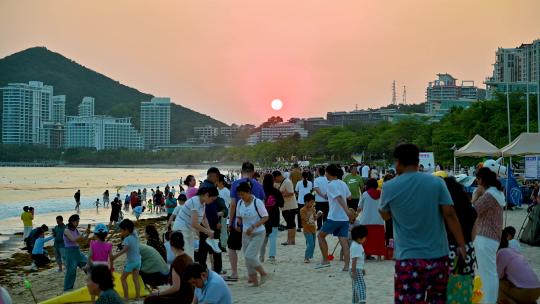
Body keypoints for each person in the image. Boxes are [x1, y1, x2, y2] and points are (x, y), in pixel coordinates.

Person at [378, 144, 466, 303]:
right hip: (438, 257)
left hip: (408, 259)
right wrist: (461, 244)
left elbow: (385, 216)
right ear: (417, 160)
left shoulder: (389, 187)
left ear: (398, 162)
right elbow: (450, 215)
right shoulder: (437, 183)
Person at [226, 161, 265, 282]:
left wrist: (230, 222)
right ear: (253, 173)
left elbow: (233, 205)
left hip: (239, 223)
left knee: (232, 248)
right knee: (252, 251)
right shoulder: (258, 185)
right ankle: (251, 275)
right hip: (256, 223)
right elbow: (262, 204)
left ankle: (234, 272)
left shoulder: (235, 184)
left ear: (241, 171)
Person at [472, 167, 506, 303]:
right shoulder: (497, 193)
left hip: (484, 237)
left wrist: (476, 195)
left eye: (477, 180)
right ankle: (488, 300)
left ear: (481, 180)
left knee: (487, 274)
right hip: (492, 238)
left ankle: (488, 301)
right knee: (489, 273)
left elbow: (474, 211)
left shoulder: (489, 195)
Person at [443, 177, 478, 303]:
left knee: (447, 289)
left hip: (447, 250)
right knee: (465, 287)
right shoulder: (471, 210)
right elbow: (474, 235)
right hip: (468, 251)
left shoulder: (443, 210)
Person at [315, 164, 354, 270]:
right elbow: (349, 197)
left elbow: (340, 198)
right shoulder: (342, 183)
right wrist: (347, 212)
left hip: (335, 217)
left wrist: (346, 211)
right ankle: (346, 266)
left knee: (320, 236)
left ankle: (325, 260)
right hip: (344, 219)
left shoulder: (331, 184)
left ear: (328, 173)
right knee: (344, 242)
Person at [144, 231, 194, 304]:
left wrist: (158, 293)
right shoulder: (189, 258)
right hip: (190, 294)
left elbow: (176, 288)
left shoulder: (177, 262)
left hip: (182, 298)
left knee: (149, 300)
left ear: (171, 244)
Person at [235, 182, 269, 286]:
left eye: (243, 194)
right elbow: (239, 216)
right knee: (246, 258)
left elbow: (265, 217)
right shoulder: (240, 203)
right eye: (239, 195)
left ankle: (263, 273)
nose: (241, 197)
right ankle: (254, 281)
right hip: (245, 234)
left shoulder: (257, 202)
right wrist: (238, 223)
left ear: (248, 192)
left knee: (250, 255)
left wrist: (254, 226)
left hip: (258, 233)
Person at [171, 187, 219, 259]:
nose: (212, 201)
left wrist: (209, 230)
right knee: (185, 255)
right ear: (206, 195)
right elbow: (195, 224)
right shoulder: (195, 202)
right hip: (180, 230)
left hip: (188, 230)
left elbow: (204, 218)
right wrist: (208, 232)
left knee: (190, 255)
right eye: (212, 199)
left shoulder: (202, 203)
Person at [497, 229, 540, 303]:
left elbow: (498, 276)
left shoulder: (501, 253)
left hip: (525, 292)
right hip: (537, 290)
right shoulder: (513, 251)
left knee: (497, 283)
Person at [197, 167, 226, 274]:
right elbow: (209, 209)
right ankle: (215, 270)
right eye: (217, 177)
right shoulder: (207, 187)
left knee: (205, 247)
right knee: (212, 247)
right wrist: (215, 222)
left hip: (206, 221)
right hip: (209, 222)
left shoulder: (204, 186)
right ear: (212, 175)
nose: (217, 180)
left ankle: (205, 269)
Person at [112, 219, 141, 300]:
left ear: (127, 230)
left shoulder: (127, 239)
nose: (120, 232)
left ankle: (126, 297)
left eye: (121, 230)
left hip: (131, 262)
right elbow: (133, 229)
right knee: (135, 279)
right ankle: (138, 297)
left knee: (123, 278)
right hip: (138, 261)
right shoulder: (135, 235)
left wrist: (115, 256)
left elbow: (124, 250)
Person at [356, 178, 385, 259]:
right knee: (378, 239)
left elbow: (359, 208)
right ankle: (379, 256)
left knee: (366, 240)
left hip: (366, 220)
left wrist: (355, 214)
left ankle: (365, 255)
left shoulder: (365, 194)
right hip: (379, 220)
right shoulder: (381, 194)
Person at [260, 173, 284, 263]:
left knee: (263, 238)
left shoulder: (261, 191)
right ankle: (271, 257)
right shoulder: (276, 191)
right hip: (274, 216)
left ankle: (261, 257)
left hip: (263, 217)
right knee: (273, 237)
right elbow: (281, 204)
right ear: (272, 181)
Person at [63, 214, 90, 291]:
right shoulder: (66, 230)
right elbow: (73, 239)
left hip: (77, 252)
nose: (78, 223)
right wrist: (84, 232)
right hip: (70, 253)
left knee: (88, 265)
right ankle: (67, 288)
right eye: (77, 221)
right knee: (71, 271)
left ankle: (93, 281)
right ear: (72, 221)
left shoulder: (75, 230)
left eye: (78, 221)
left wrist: (87, 234)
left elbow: (82, 240)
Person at [273, 170, 298, 245]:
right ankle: (292, 240)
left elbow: (291, 193)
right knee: (291, 223)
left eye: (275, 179)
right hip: (287, 206)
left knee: (290, 224)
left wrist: (280, 195)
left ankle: (289, 240)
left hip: (289, 206)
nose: (275, 180)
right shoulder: (283, 182)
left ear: (278, 176)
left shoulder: (287, 182)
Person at [350, 225, 368, 304]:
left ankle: (355, 301)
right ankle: (362, 300)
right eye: (364, 237)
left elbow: (359, 259)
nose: (365, 239)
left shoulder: (356, 244)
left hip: (357, 269)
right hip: (356, 269)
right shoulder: (356, 246)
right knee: (361, 285)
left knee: (355, 286)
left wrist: (362, 268)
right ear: (359, 238)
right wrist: (354, 271)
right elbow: (354, 260)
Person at [300, 193, 320, 263]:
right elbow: (305, 219)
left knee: (313, 243)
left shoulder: (313, 209)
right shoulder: (302, 210)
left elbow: (314, 219)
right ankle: (306, 257)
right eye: (311, 202)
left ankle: (309, 255)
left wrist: (318, 215)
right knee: (310, 243)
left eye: (313, 202)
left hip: (313, 229)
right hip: (307, 230)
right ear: (306, 202)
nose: (312, 204)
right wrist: (309, 216)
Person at [217, 174, 231, 250]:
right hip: (217, 212)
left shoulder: (226, 191)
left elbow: (230, 202)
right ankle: (219, 244)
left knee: (223, 229)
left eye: (217, 182)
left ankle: (223, 245)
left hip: (224, 212)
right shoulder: (216, 190)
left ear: (221, 182)